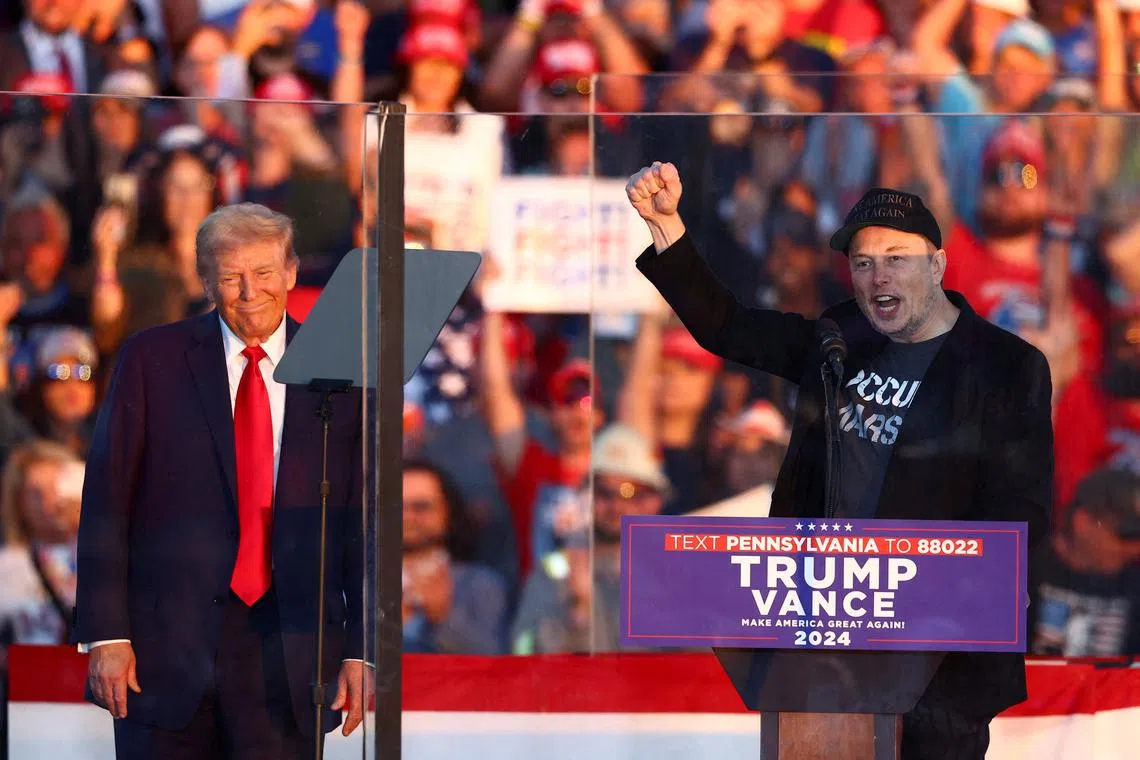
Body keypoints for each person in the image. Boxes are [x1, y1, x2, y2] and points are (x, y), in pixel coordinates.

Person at [625, 162, 1053, 759]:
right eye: (862, 262)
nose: (878, 276)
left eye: (896, 258)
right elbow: (729, 327)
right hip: (825, 639)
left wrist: (964, 616)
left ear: (937, 265)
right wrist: (666, 225)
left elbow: (1022, 514)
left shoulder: (1006, 365)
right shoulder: (840, 339)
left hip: (938, 659)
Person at [72, 203, 370, 759]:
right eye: (231, 276)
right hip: (163, 656)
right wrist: (107, 633)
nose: (249, 291)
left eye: (262, 273)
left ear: (290, 272)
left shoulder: (341, 372)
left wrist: (361, 650)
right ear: (207, 281)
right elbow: (106, 500)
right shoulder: (149, 359)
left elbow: (361, 518)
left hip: (292, 655)